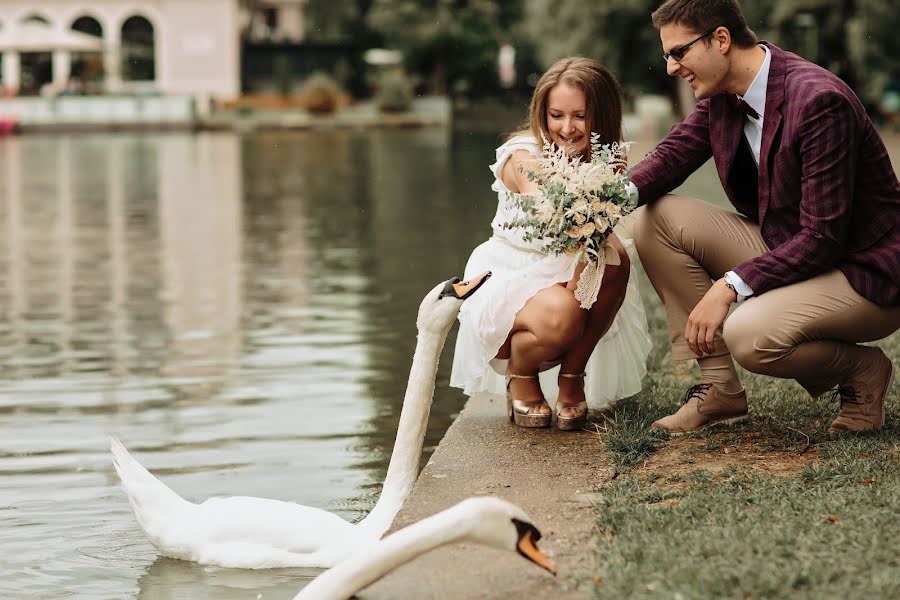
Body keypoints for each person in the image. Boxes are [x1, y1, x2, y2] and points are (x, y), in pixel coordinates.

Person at [629, 0, 900, 434]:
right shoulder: (725, 92)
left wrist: (729, 285)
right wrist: (600, 201)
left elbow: (823, 238)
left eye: (679, 52)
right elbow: (671, 155)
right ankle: (719, 389)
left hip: (863, 271)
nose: (671, 68)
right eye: (667, 55)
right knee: (655, 219)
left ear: (720, 39)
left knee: (748, 334)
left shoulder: (819, 100)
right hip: (793, 247)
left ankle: (862, 369)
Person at [450, 57, 652, 430]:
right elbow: (536, 182)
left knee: (615, 258)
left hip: (572, 268)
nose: (567, 128)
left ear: (602, 115)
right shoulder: (522, 154)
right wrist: (564, 191)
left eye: (580, 116)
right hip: (514, 273)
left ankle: (572, 376)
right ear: (541, 113)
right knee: (563, 313)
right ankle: (522, 372)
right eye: (556, 115)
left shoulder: (608, 156)